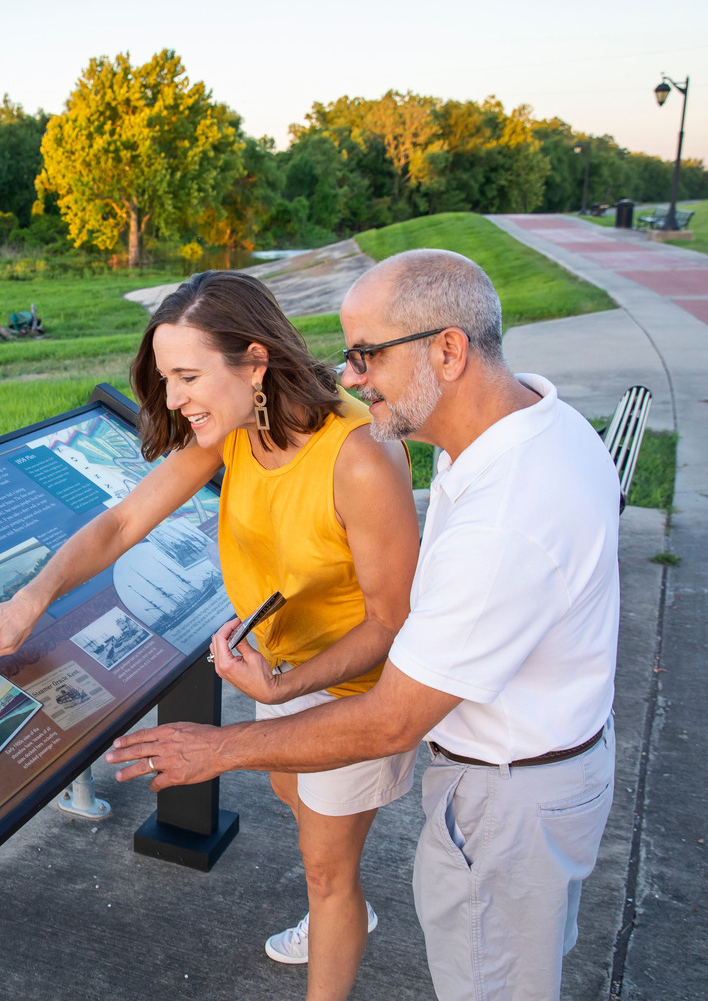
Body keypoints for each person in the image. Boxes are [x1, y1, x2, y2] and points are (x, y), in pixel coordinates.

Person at [105, 248, 621, 1000]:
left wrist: (219, 747)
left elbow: (389, 720)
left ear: (447, 350)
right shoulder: (529, 427)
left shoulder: (503, 513)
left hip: (507, 798)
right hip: (542, 770)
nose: (348, 376)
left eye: (367, 355)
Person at [0, 269, 420, 1000]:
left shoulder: (361, 458)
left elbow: (392, 623)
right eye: (166, 377)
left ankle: (338, 915)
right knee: (297, 803)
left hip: (348, 689)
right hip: (277, 667)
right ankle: (342, 908)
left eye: (188, 374)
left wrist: (286, 685)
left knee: (327, 868)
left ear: (254, 362)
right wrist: (29, 599)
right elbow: (121, 523)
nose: (172, 398)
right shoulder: (233, 428)